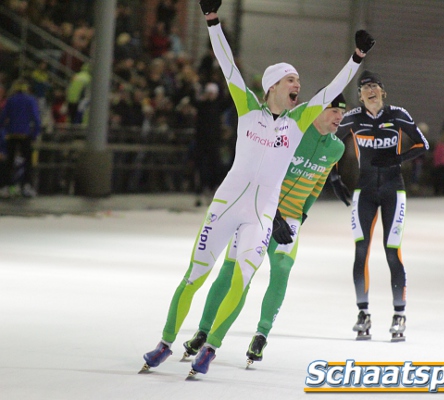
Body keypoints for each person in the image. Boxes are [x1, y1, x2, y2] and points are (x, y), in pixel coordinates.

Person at [140, 0, 374, 375]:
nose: (298, 84)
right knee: (194, 276)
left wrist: (357, 57)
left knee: (241, 280)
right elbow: (227, 65)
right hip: (225, 206)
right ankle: (165, 342)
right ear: (272, 86)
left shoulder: (298, 121)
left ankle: (211, 346)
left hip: (262, 215)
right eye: (290, 79)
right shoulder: (247, 106)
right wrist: (212, 21)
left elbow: (333, 86)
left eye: (298, 80)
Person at [181, 93, 350, 366]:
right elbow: (265, 172)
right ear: (318, 111)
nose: (339, 117)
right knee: (233, 273)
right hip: (260, 213)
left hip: (290, 219)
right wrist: (275, 215)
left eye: (342, 112)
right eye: (333, 111)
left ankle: (262, 334)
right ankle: (203, 330)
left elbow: (317, 183)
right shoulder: (292, 135)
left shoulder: (336, 148)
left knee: (282, 270)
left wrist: (301, 214)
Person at [335, 70, 429, 341]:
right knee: (361, 251)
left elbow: (422, 144)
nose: (370, 90)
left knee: (391, 252)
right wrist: (334, 178)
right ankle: (363, 313)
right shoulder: (352, 119)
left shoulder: (397, 114)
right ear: (360, 95)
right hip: (363, 191)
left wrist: (397, 158)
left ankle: (399, 314)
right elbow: (329, 144)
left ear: (383, 92)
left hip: (393, 190)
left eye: (375, 85)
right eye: (365, 87)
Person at [0, 79, 41, 198]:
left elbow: (3, 117)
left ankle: (5, 187)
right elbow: (36, 119)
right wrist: (34, 134)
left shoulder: (10, 100)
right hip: (25, 134)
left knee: (9, 162)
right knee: (27, 162)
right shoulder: (30, 100)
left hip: (11, 134)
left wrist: (4, 129)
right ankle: (26, 186)